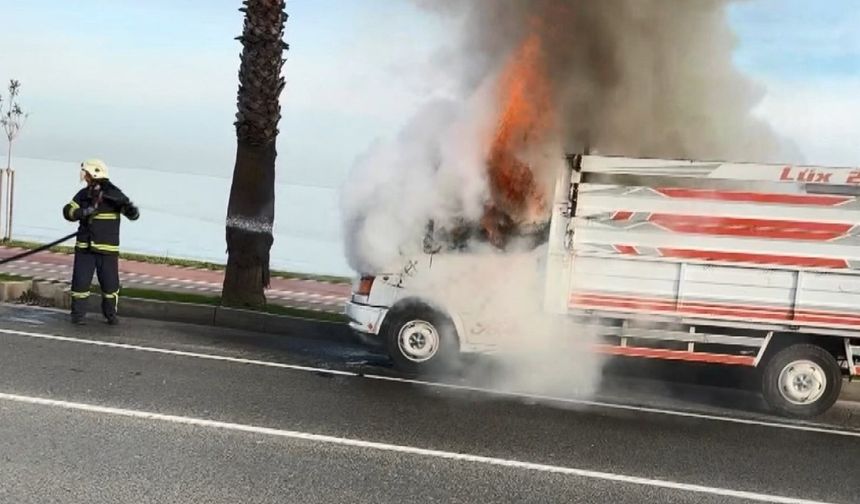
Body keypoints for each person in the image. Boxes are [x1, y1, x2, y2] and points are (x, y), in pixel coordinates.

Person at [62, 159, 139, 325]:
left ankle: (110, 315)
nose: (85, 178)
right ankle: (77, 316)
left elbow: (133, 214)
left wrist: (129, 209)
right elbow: (67, 210)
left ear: (95, 174)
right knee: (80, 284)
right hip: (85, 249)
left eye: (87, 174)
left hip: (107, 251)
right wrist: (81, 212)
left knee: (110, 285)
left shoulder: (114, 195)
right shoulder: (84, 195)